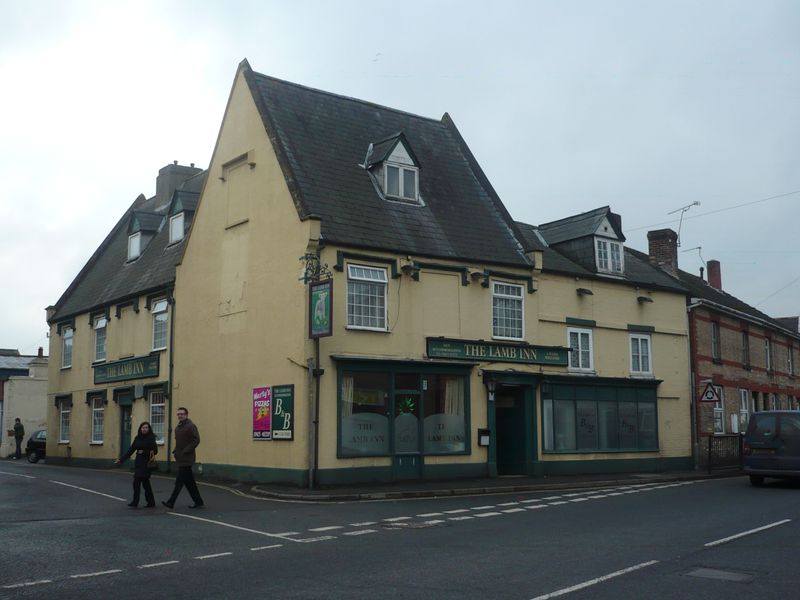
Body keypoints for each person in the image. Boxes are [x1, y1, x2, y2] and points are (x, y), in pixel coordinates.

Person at [162, 407, 204, 509]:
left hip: (187, 458)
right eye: (178, 414)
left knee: (179, 482)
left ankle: (171, 502)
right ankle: (198, 501)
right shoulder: (178, 428)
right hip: (180, 458)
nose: (180, 416)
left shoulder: (191, 426)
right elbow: (179, 442)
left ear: (186, 415)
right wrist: (176, 451)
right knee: (190, 483)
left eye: (182, 414)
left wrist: (186, 450)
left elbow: (196, 440)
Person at [115, 421, 158, 508]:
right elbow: (131, 450)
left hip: (146, 464)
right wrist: (121, 460)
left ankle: (136, 502)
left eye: (146, 428)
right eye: (143, 428)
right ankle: (150, 502)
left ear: (149, 429)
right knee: (145, 483)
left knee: (137, 482)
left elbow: (155, 451)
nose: (144, 429)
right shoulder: (137, 438)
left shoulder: (151, 438)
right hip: (139, 463)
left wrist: (143, 451)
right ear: (140, 429)